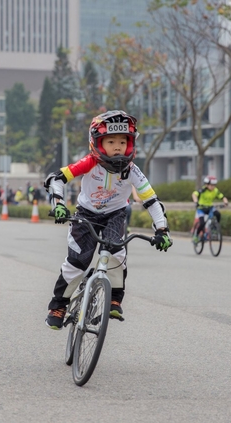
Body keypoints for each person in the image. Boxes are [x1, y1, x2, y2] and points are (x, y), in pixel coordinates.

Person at [43, 110, 172, 329]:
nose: (118, 147)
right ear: (97, 143)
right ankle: (58, 306)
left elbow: (151, 200)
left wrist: (162, 230)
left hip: (116, 215)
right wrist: (59, 205)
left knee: (117, 256)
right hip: (86, 214)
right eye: (111, 142)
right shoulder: (89, 163)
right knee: (76, 264)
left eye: (123, 142)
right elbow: (56, 178)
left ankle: (114, 300)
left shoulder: (133, 171)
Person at [191, 176, 228, 242]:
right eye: (211, 185)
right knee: (202, 223)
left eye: (214, 185)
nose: (213, 187)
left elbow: (222, 196)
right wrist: (196, 202)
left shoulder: (215, 190)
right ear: (206, 185)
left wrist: (225, 202)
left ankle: (215, 228)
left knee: (218, 214)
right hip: (201, 208)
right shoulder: (202, 190)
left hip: (210, 208)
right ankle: (196, 235)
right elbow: (194, 194)